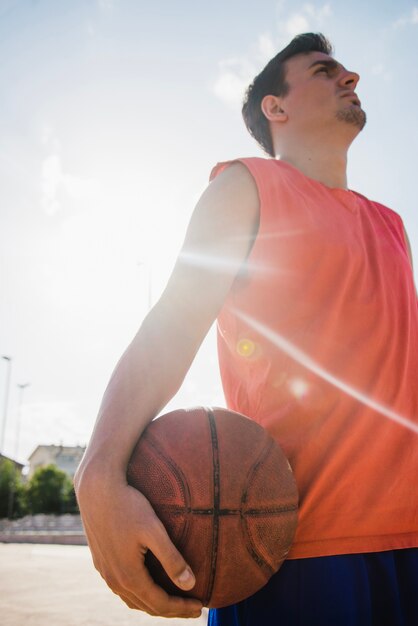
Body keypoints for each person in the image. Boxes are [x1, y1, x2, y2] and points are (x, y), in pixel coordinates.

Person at [74, 33, 418, 624]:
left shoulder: (390, 224)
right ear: (275, 107)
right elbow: (173, 322)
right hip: (289, 551)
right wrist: (98, 471)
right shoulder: (245, 184)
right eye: (324, 70)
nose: (351, 77)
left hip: (409, 542)